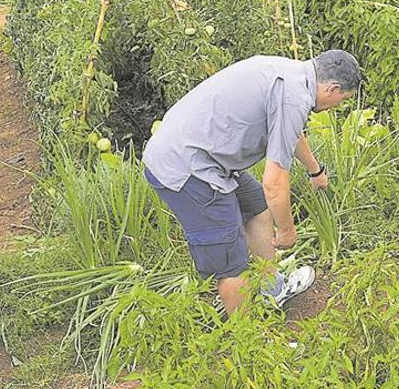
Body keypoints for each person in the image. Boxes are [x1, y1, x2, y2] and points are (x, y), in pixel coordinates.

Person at [143, 50, 362, 314]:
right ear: (332, 88)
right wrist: (287, 231)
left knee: (257, 206)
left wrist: (316, 171)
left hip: (205, 156)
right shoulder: (293, 96)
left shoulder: (293, 75)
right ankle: (248, 343)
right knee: (231, 264)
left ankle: (272, 290)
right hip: (186, 168)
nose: (338, 106)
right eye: (342, 99)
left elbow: (290, 132)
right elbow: (274, 183)